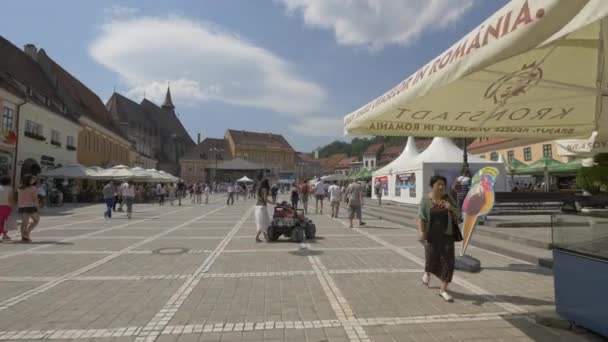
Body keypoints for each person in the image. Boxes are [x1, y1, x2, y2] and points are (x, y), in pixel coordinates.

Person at [417, 175, 461, 302]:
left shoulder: (448, 198)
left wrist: (450, 207)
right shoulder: (426, 200)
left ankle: (443, 290)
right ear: (433, 186)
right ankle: (427, 271)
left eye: (443, 184)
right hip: (432, 234)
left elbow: (458, 214)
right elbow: (421, 217)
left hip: (447, 235)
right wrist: (421, 231)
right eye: (438, 184)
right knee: (431, 257)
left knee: (449, 263)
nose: (441, 187)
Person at [18, 175, 40, 242]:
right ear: (29, 180)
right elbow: (35, 198)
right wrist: (37, 206)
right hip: (30, 206)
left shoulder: (20, 188)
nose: (34, 180)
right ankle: (27, 233)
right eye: (32, 179)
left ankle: (23, 236)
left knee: (24, 222)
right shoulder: (33, 188)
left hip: (22, 206)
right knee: (36, 220)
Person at [255, 175, 275, 242]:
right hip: (262, 207)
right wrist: (272, 203)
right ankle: (258, 237)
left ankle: (264, 237)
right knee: (265, 222)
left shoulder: (259, 189)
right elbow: (265, 199)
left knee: (262, 222)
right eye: (268, 182)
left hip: (257, 207)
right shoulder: (265, 189)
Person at [0, 176, 14, 241]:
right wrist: (12, 206)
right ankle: (5, 235)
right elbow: (10, 199)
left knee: (1, 221)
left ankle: (4, 235)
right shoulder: (9, 189)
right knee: (6, 222)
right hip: (6, 206)